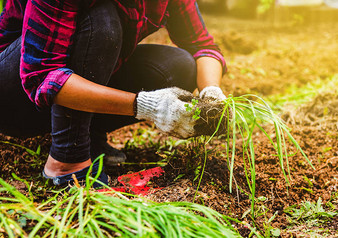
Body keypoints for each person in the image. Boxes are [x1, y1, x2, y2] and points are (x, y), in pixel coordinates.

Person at [0, 0, 227, 187]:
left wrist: (211, 91)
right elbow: (41, 75)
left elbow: (201, 45)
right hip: (13, 96)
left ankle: (89, 134)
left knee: (179, 66)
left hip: (63, 82)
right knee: (101, 19)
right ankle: (67, 160)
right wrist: (148, 106)